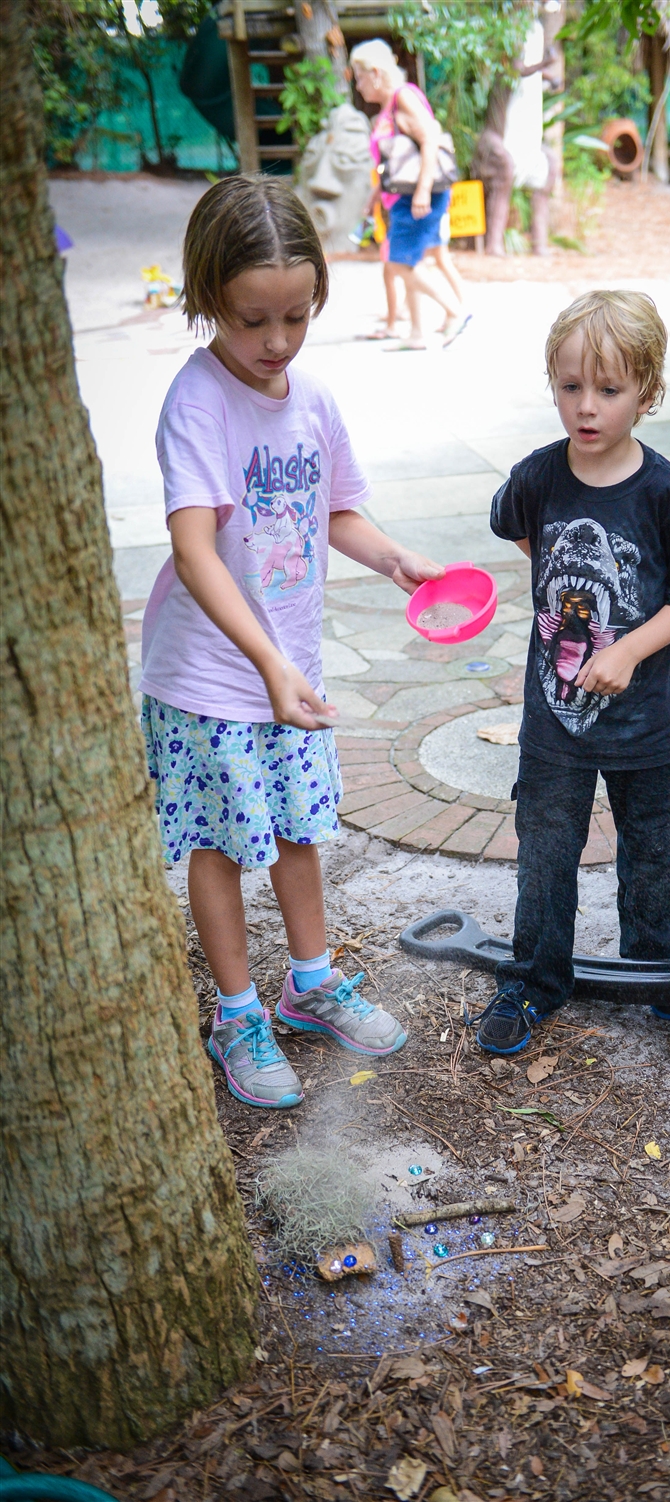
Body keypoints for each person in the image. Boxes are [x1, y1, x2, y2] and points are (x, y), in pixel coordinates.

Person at [140, 176, 444, 1108]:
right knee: (226, 847)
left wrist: (391, 556)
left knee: (303, 830)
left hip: (289, 672)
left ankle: (309, 983)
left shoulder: (307, 395)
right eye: (251, 321)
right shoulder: (196, 404)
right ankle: (239, 1011)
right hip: (211, 679)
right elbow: (195, 550)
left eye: (296, 317)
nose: (276, 343)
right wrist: (266, 661)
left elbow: (333, 508)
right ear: (206, 300)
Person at [474, 290, 670, 1055]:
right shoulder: (537, 476)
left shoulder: (664, 492)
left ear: (647, 394)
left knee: (649, 848)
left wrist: (625, 649)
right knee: (545, 852)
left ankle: (658, 965)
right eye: (570, 386)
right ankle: (534, 978)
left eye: (608, 390)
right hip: (552, 726)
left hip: (646, 723)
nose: (586, 407)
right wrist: (565, 611)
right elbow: (523, 533)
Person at [350, 38, 470, 351]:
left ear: (376, 72)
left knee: (400, 263)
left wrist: (423, 190)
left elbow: (430, 138)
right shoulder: (390, 107)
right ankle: (417, 332)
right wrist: (375, 196)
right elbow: (396, 162)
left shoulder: (404, 97)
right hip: (402, 197)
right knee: (408, 260)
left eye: (359, 77)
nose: (358, 86)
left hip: (418, 197)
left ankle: (456, 312)